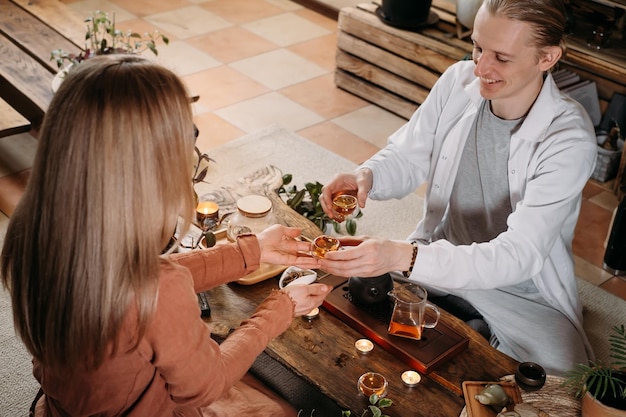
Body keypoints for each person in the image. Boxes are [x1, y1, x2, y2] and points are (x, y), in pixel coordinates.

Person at [0, 54, 331, 417]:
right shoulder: (157, 290)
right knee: (280, 406)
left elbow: (149, 278)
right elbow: (207, 386)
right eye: (188, 137)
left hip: (64, 407)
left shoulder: (30, 226)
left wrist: (252, 251)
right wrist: (281, 307)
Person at [318, 0, 597, 375]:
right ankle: (463, 320)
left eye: (501, 57)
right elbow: (408, 154)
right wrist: (367, 177)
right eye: (478, 46)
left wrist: (403, 257)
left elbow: (518, 255)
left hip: (519, 288)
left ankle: (469, 321)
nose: (481, 67)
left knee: (563, 375)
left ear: (547, 58)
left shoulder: (569, 139)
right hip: (440, 252)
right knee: (337, 292)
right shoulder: (458, 80)